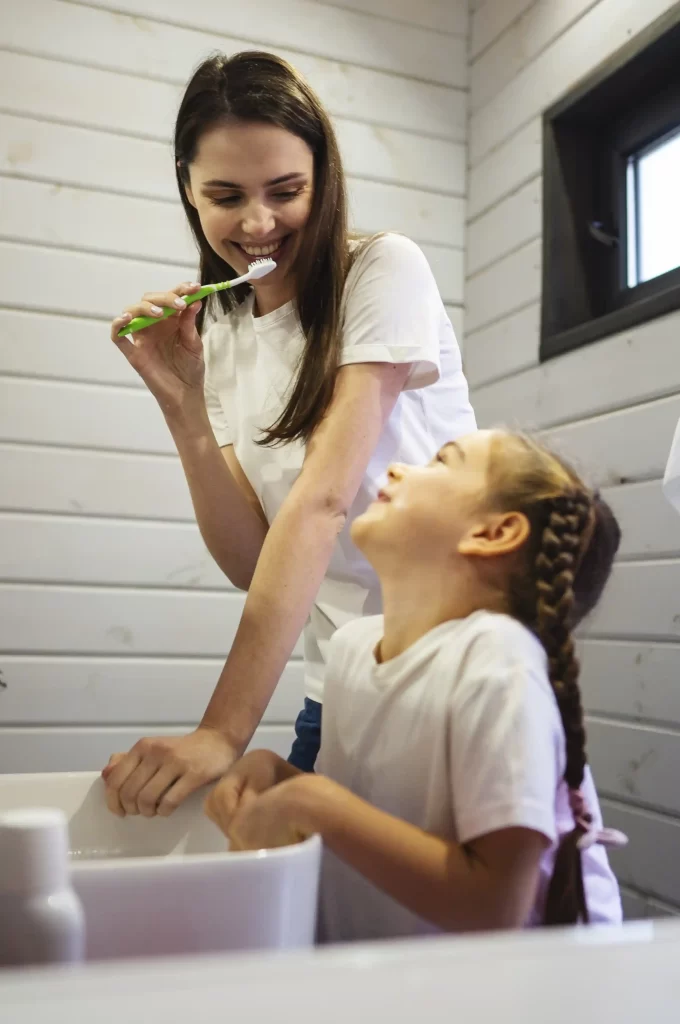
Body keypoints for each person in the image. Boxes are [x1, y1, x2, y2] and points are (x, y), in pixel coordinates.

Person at [102, 50, 476, 817]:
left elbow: (322, 503)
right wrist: (184, 409)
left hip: (448, 671)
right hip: (333, 685)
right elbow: (251, 559)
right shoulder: (221, 328)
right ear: (187, 189)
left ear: (323, 179)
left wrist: (220, 731)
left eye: (286, 191)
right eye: (225, 195)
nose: (258, 222)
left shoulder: (382, 270)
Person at [205, 430, 626, 941]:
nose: (401, 469)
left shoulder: (497, 659)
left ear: (494, 533)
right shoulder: (353, 647)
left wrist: (314, 805)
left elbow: (496, 906)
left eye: (442, 460)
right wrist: (279, 776)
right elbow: (381, 817)